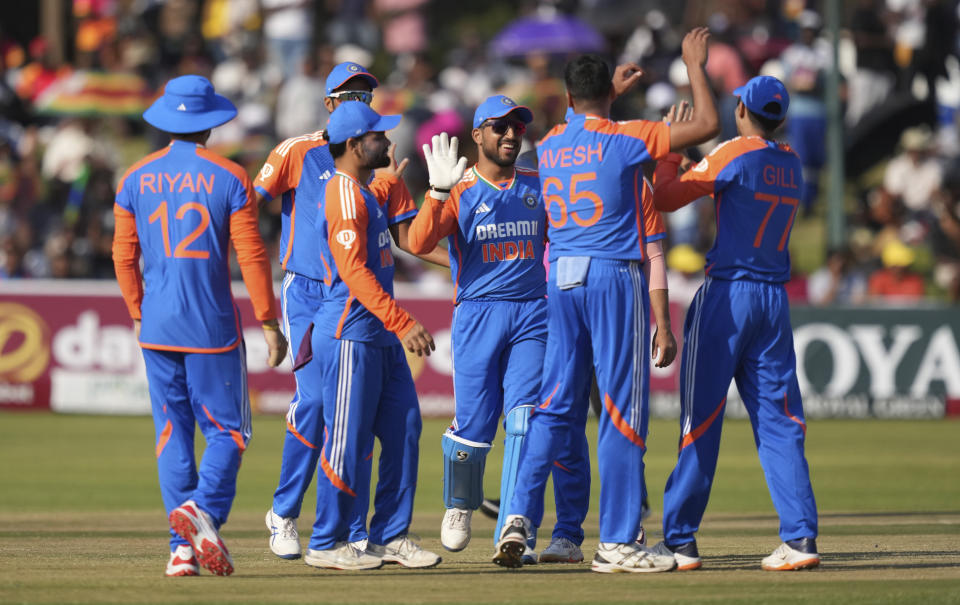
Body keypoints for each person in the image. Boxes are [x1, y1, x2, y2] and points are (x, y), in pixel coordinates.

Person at [494, 27, 720, 573]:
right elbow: (707, 125)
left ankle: (517, 515)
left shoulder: (546, 144)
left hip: (560, 277)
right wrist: (693, 64)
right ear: (607, 95)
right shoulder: (633, 137)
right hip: (612, 275)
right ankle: (618, 541)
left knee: (554, 406)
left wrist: (603, 98)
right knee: (622, 410)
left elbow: (587, 124)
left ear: (568, 97)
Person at [254, 61, 446, 560]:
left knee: (378, 418)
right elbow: (247, 205)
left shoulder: (377, 165)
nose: (360, 101)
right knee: (319, 407)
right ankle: (286, 512)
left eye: (367, 94)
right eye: (350, 94)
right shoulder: (297, 151)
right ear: (329, 103)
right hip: (311, 290)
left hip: (362, 296)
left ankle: (366, 534)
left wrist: (469, 265)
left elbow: (407, 238)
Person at [112, 75, 288, 577]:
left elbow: (123, 254)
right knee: (229, 433)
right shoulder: (230, 176)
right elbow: (251, 255)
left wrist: (136, 310)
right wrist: (269, 321)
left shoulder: (135, 177)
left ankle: (181, 550)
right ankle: (202, 511)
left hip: (157, 326)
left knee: (172, 434)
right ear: (210, 123)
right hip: (210, 326)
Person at [408, 96, 591, 564]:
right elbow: (418, 242)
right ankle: (459, 504)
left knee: (524, 421)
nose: (511, 134)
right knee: (473, 427)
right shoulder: (460, 187)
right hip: (477, 314)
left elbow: (570, 231)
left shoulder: (538, 184)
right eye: (499, 127)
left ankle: (515, 527)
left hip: (533, 312)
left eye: (517, 127)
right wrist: (437, 193)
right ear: (477, 135)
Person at [650, 75, 820, 572]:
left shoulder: (734, 151)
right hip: (774, 299)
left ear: (742, 109)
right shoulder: (791, 164)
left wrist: (668, 152)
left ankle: (680, 541)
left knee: (700, 419)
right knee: (781, 422)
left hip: (728, 296)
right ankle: (800, 539)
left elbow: (663, 198)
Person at [294, 101, 437, 570]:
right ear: (356, 145)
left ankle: (389, 536)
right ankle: (326, 542)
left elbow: (373, 205)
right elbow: (354, 272)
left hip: (377, 335)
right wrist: (403, 321)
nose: (387, 141)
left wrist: (392, 180)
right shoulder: (341, 195)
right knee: (347, 441)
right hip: (352, 334)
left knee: (405, 428)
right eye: (378, 136)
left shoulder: (359, 190)